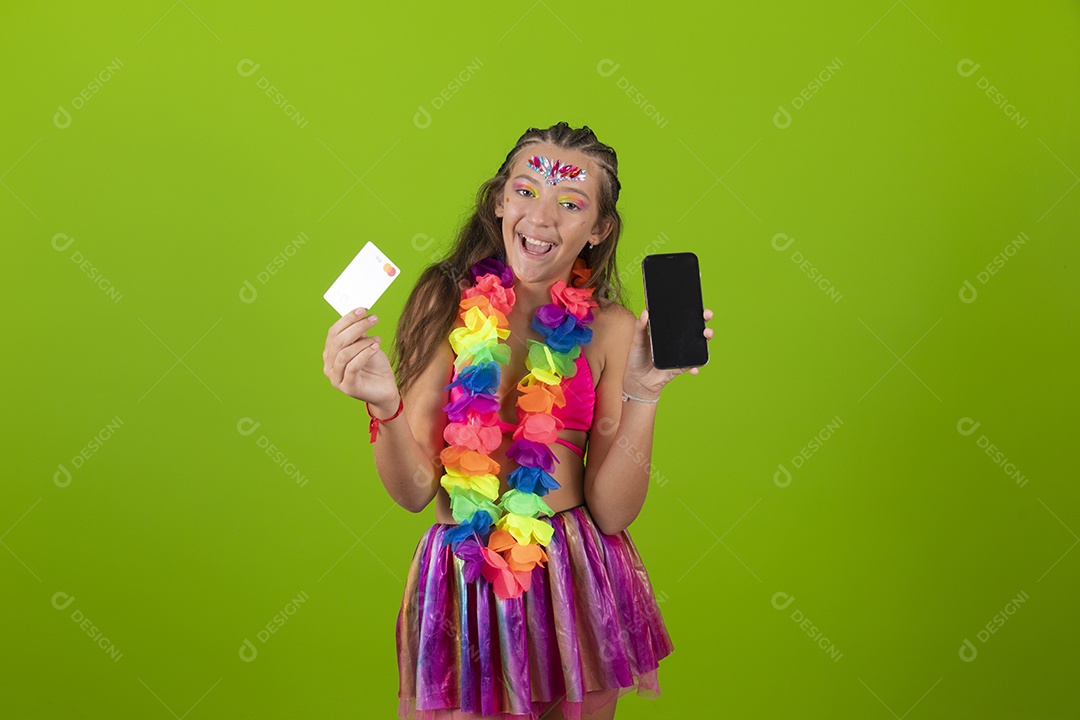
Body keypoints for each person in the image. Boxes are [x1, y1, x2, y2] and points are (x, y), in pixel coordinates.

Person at [322, 122, 714, 719]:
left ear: (599, 229)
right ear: (500, 200)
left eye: (571, 203)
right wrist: (383, 405)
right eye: (526, 191)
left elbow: (613, 511)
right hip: (462, 573)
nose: (542, 217)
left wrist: (644, 395)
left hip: (572, 579)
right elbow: (413, 492)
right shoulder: (443, 299)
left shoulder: (610, 329)